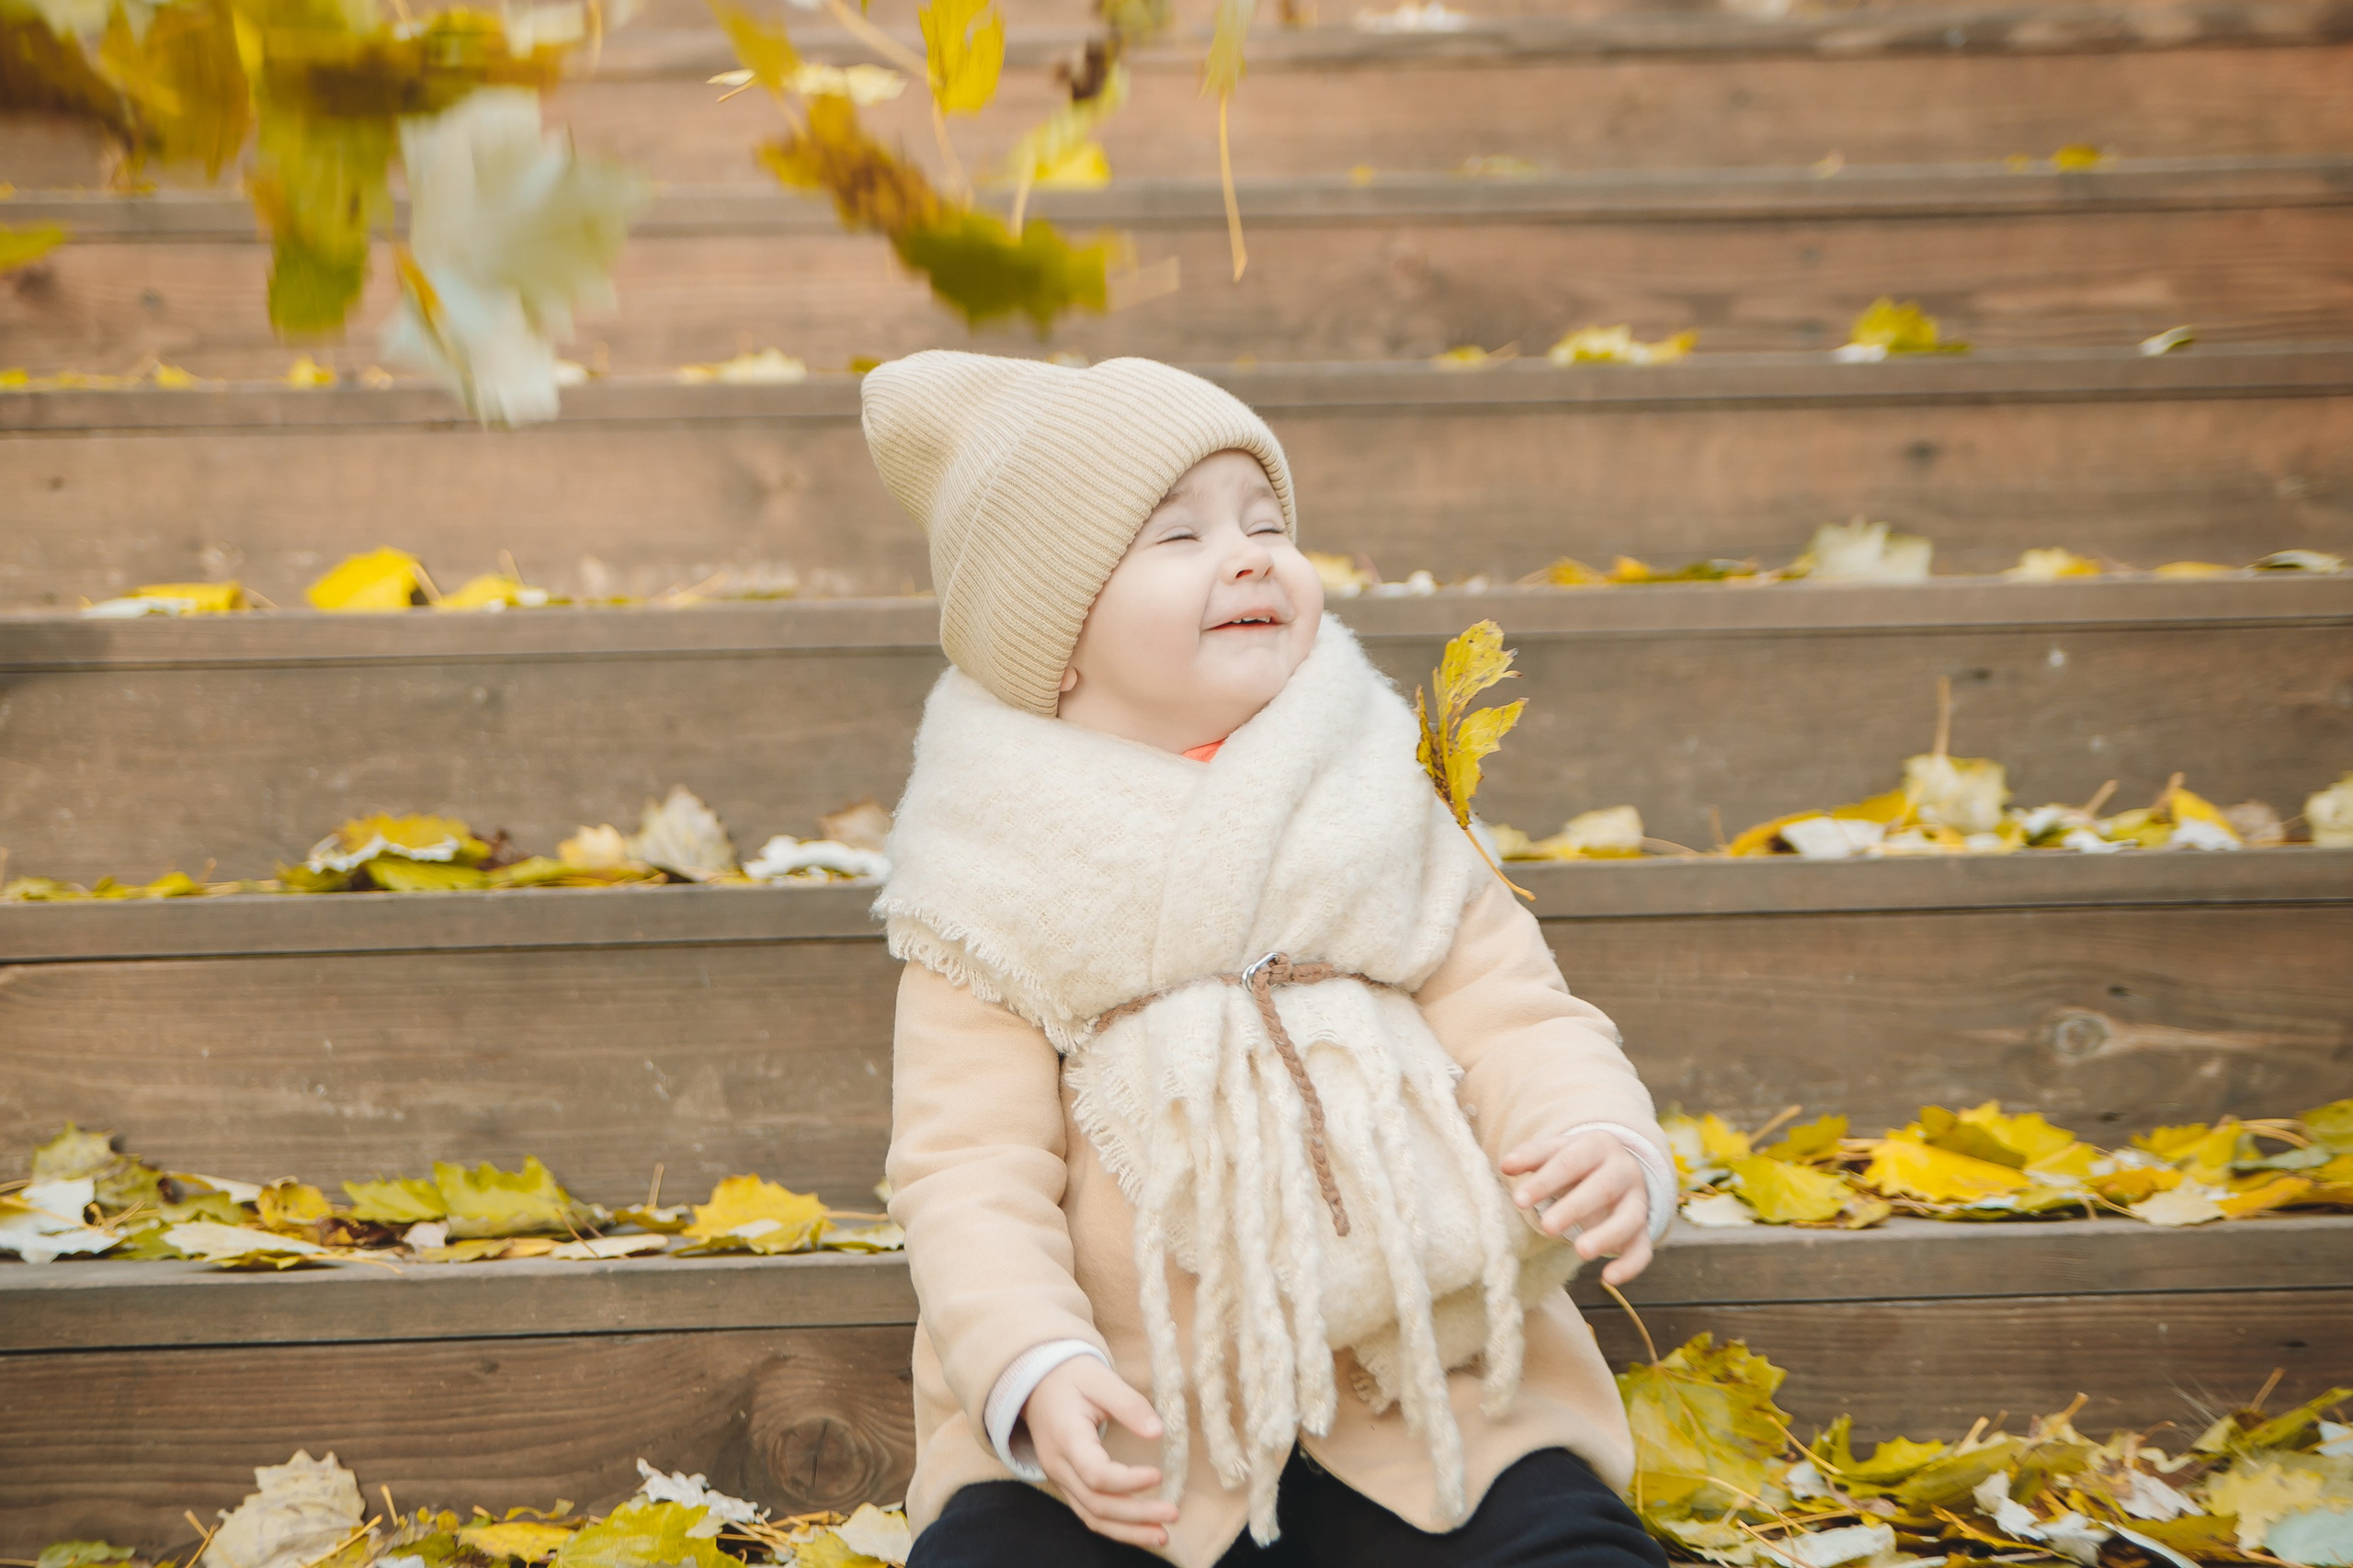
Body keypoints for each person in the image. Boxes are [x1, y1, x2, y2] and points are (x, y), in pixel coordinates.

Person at [862, 351, 1677, 1568]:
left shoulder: (1384, 807)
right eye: (1177, 535)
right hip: (1138, 1430)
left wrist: (1598, 1135)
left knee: (1558, 1540)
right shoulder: (987, 887)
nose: (1248, 553)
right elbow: (967, 1166)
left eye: (1266, 521)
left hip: (1423, 1392)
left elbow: (1517, 1016)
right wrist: (1036, 1361)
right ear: (1054, 641)